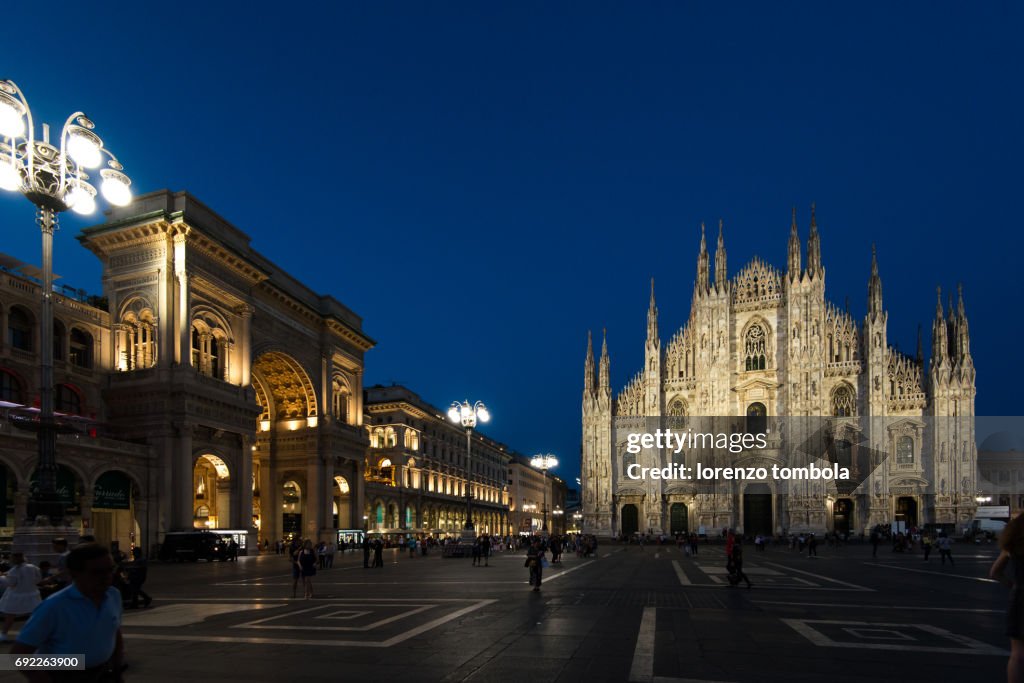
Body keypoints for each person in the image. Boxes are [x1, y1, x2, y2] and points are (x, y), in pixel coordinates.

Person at [12, 544, 125, 681]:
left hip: (103, 673)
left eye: (110, 570)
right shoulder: (54, 606)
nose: (107, 576)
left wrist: (117, 668)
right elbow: (19, 655)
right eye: (97, 572)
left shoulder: (113, 595)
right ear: (74, 573)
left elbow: (114, 630)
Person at [991, 515, 1024, 682]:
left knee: (1017, 654)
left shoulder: (1012, 545)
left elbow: (995, 573)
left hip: (1019, 597)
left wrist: (1014, 586)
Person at [0, 552, 42, 642]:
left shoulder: (14, 570)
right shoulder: (33, 567)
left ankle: (3, 634)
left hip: (16, 594)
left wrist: (4, 577)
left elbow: (11, 583)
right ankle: (35, 633)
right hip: (32, 594)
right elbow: (38, 579)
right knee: (34, 615)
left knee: (10, 615)